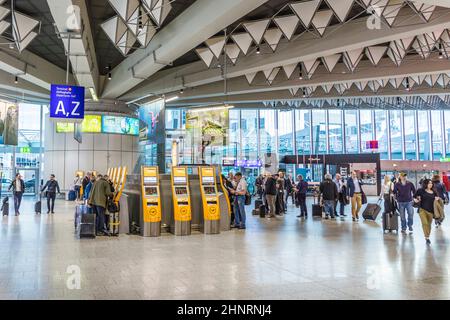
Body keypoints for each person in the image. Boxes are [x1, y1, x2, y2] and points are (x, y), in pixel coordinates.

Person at [414, 179, 439, 245]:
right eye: (429, 183)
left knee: (429, 225)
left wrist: (437, 199)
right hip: (422, 210)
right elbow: (414, 196)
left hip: (431, 211)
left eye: (431, 183)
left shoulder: (434, 192)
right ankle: (427, 238)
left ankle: (427, 236)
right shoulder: (420, 190)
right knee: (424, 223)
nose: (430, 184)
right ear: (425, 184)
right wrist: (415, 200)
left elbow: (437, 199)